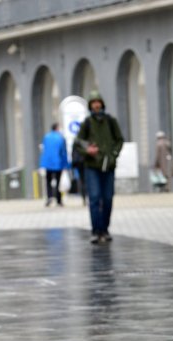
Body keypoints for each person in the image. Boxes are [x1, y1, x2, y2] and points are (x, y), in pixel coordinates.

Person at [75, 91, 124, 244]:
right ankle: (96, 231)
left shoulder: (111, 121)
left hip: (108, 166)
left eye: (98, 102)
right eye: (93, 103)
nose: (96, 105)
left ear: (102, 104)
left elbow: (119, 140)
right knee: (95, 198)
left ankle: (105, 229)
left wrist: (113, 154)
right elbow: (77, 143)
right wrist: (87, 151)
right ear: (90, 106)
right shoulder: (87, 123)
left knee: (108, 198)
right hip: (92, 166)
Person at [39, 123, 69, 207]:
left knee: (48, 181)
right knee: (58, 182)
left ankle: (49, 198)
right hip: (58, 163)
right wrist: (66, 165)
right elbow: (63, 152)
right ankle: (58, 200)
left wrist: (42, 164)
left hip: (47, 164)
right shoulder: (60, 138)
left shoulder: (46, 137)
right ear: (57, 128)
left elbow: (43, 150)